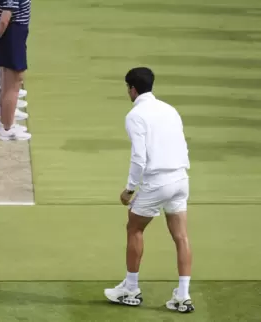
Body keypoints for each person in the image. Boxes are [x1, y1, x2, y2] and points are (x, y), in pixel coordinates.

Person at [104, 67, 194, 313]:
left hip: (157, 181)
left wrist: (129, 189)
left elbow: (139, 157)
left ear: (132, 89)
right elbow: (182, 144)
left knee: (134, 228)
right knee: (181, 236)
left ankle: (130, 289)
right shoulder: (170, 109)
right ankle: (183, 296)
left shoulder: (135, 115)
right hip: (181, 179)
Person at [0, 0, 32, 141]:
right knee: (13, 83)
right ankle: (8, 127)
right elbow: (5, 18)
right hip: (12, 33)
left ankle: (5, 123)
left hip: (13, 33)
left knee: (8, 82)